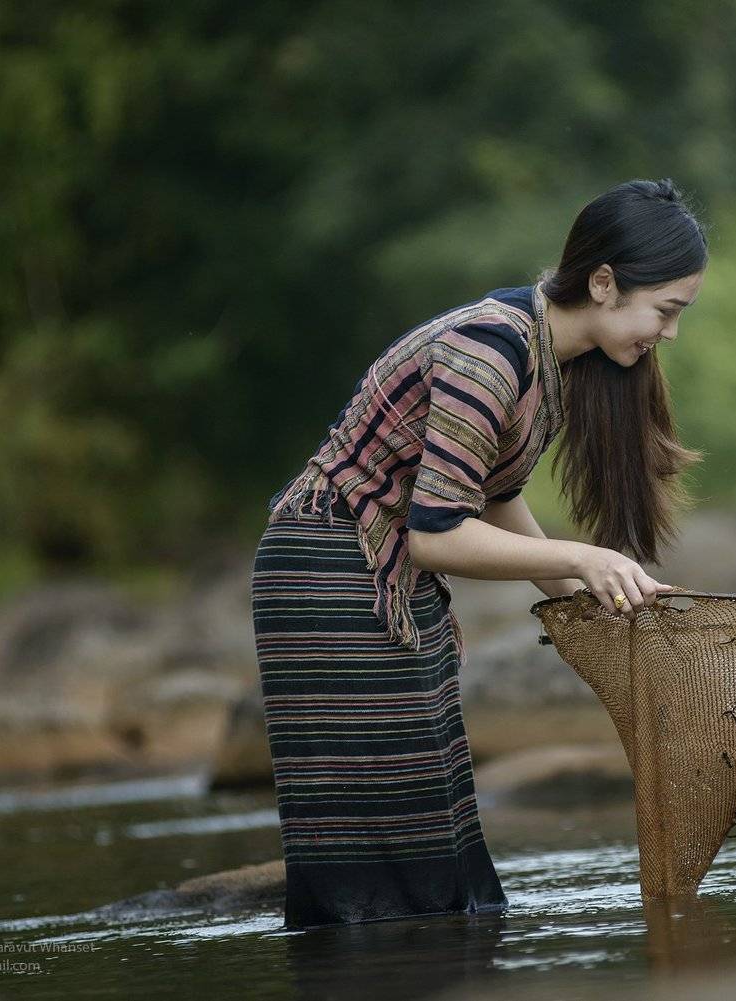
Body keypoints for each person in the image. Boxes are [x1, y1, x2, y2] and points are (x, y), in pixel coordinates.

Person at [251, 179, 706, 929]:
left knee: (437, 811)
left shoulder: (549, 362)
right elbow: (436, 533)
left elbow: (493, 500)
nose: (672, 332)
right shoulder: (489, 353)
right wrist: (584, 559)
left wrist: (584, 592)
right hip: (330, 570)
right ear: (602, 283)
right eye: (666, 310)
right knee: (383, 827)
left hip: (383, 577)